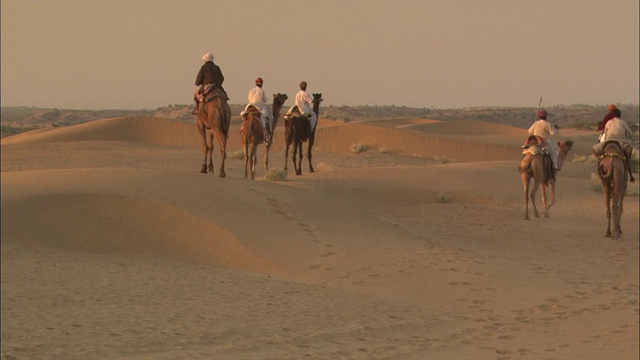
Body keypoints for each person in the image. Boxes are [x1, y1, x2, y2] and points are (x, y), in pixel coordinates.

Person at [593, 108, 635, 182]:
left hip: (608, 141)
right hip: (620, 141)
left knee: (596, 151)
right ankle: (629, 172)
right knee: (628, 152)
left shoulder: (609, 122)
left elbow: (605, 133)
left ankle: (599, 168)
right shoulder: (622, 122)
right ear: (620, 115)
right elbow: (630, 133)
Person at [240, 77, 272, 143]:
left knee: (245, 115)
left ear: (255, 84)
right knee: (264, 116)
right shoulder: (261, 91)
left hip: (250, 105)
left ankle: (242, 128)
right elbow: (265, 100)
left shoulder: (251, 91)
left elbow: (249, 98)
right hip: (259, 106)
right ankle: (264, 131)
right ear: (262, 84)